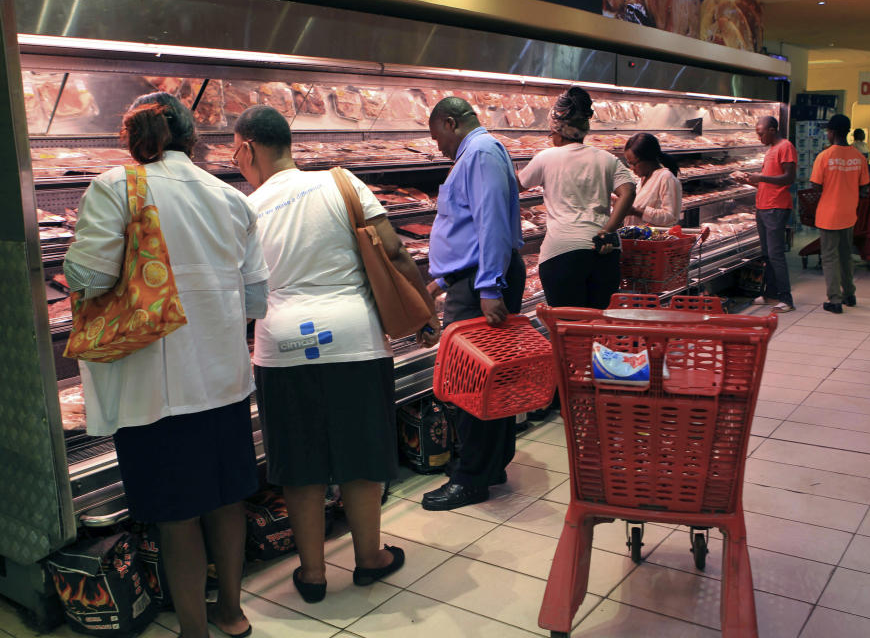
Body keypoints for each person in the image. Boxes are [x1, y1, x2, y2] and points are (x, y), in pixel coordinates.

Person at [64, 92, 269, 638]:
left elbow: (86, 278)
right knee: (226, 500)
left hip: (152, 387)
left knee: (177, 515)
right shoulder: (229, 197)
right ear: (192, 138)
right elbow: (256, 299)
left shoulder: (115, 186)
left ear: (132, 138)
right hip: (224, 378)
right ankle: (231, 612)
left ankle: (193, 632)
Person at [233, 106, 440, 602]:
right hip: (354, 337)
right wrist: (424, 313)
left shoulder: (244, 207)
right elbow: (392, 251)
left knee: (300, 461)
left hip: (281, 347)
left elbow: (241, 290)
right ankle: (369, 557)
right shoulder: (341, 183)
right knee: (362, 451)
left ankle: (313, 574)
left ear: (248, 149)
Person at [421, 96, 525, 511]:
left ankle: (471, 479)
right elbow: (467, 229)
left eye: (436, 137)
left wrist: (489, 288)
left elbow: (492, 222)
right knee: (490, 379)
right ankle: (490, 464)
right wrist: (440, 282)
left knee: (471, 382)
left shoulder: (479, 153)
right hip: (471, 279)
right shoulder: (479, 153)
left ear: (450, 123)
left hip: (482, 282)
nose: (437, 147)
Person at [517, 87, 636, 309]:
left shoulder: (546, 157)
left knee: (567, 328)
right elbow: (628, 191)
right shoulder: (607, 158)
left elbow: (514, 187)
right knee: (599, 326)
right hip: (604, 250)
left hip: (562, 252)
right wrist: (609, 229)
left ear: (558, 131)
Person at [734, 115, 796, 313]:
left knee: (776, 254)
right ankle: (771, 295)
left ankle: (786, 299)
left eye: (761, 134)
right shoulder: (771, 150)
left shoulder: (785, 147)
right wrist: (747, 181)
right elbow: (768, 182)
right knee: (767, 254)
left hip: (776, 207)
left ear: (772, 129)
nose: (759, 138)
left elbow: (789, 178)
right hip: (764, 206)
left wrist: (760, 176)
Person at [810, 114, 870, 314]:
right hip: (848, 214)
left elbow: (815, 185)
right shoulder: (859, 158)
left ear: (832, 132)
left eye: (828, 131)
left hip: (828, 214)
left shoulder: (824, 156)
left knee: (829, 257)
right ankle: (849, 295)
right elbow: (865, 189)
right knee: (845, 255)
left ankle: (835, 300)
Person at [623, 132, 682, 227]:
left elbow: (671, 217)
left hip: (654, 240)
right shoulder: (643, 178)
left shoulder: (666, 178)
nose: (631, 168)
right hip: (638, 239)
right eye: (629, 164)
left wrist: (635, 211)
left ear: (648, 159)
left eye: (634, 163)